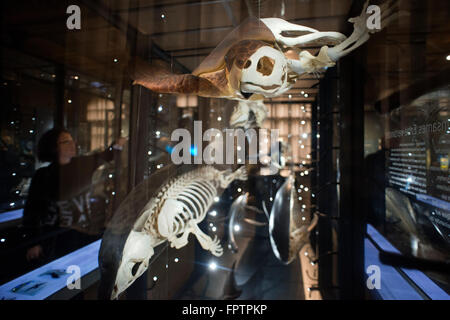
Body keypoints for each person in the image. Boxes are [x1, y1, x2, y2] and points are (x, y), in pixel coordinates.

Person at [23, 128, 127, 263]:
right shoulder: (43, 175)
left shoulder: (81, 165)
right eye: (66, 141)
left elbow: (106, 156)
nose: (73, 144)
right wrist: (33, 242)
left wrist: (118, 144)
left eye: (73, 140)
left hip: (83, 233)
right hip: (56, 236)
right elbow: (32, 209)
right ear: (54, 147)